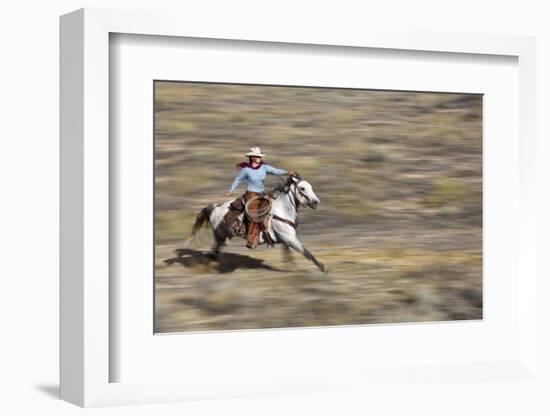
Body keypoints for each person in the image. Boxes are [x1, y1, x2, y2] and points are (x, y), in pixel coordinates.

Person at [223, 147, 294, 247]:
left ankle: (271, 232)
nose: (259, 158)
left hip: (261, 194)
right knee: (255, 214)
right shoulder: (246, 170)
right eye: (257, 156)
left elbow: (275, 171)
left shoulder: (264, 167)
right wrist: (230, 191)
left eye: (260, 156)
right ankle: (251, 238)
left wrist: (287, 172)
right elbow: (238, 180)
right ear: (252, 158)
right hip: (250, 194)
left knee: (273, 207)